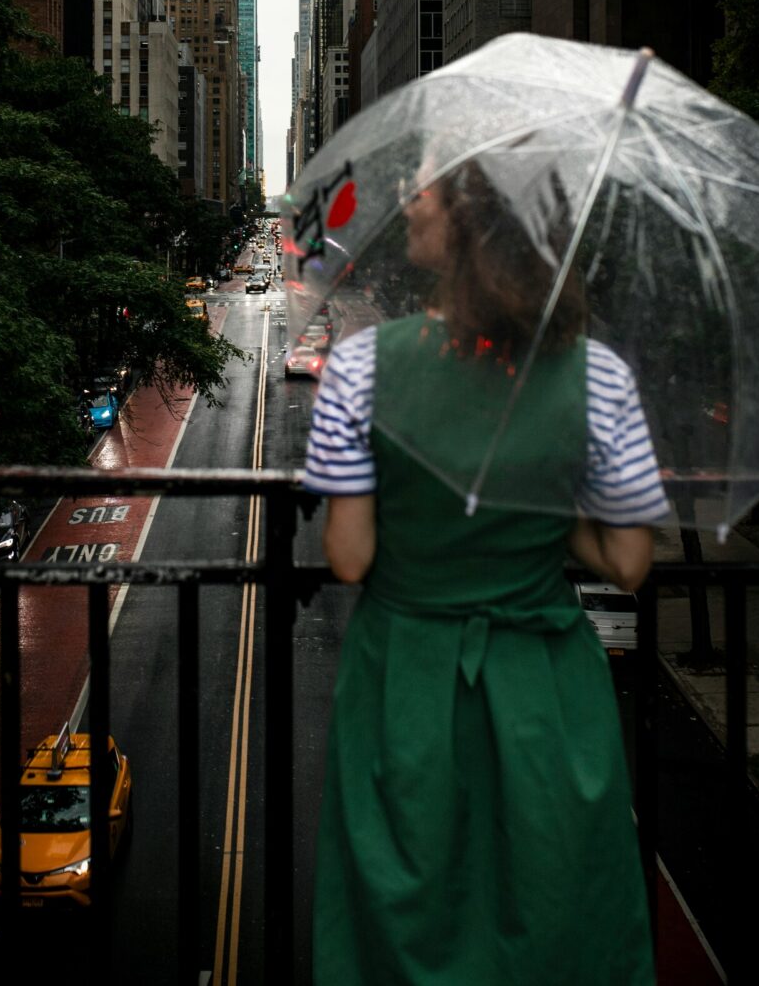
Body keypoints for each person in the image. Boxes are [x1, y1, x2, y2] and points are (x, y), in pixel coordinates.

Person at [302, 161, 669, 985]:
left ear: (471, 226)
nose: (410, 200)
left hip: (405, 682)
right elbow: (628, 560)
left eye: (428, 189)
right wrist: (541, 503)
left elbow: (350, 556)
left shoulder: (361, 371)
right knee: (554, 916)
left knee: (403, 922)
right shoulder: (600, 375)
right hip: (547, 690)